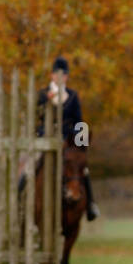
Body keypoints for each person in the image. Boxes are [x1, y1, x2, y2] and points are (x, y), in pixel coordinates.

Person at [36, 56, 99, 221]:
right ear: (51, 76)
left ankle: (91, 204)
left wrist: (81, 146)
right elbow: (37, 116)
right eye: (57, 74)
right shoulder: (42, 94)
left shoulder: (72, 96)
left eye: (64, 75)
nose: (60, 77)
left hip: (67, 140)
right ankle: (19, 197)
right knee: (31, 166)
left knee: (82, 169)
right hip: (45, 137)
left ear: (67, 77)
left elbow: (79, 120)